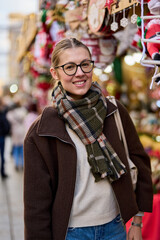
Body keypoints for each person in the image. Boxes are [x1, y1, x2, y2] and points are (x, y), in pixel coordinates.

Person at [24, 38, 153, 240]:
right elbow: (36, 203)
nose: (79, 72)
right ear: (55, 73)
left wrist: (137, 221)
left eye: (85, 64)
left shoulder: (114, 111)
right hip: (71, 233)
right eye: (69, 67)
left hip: (115, 228)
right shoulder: (42, 131)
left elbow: (140, 163)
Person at [7, 99, 27, 171]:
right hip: (22, 130)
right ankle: (22, 164)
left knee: (15, 148)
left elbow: (8, 119)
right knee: (22, 148)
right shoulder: (23, 111)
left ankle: (16, 163)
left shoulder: (10, 113)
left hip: (14, 131)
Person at [0, 98, 10, 179]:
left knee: (3, 155)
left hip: (2, 135)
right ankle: (2, 172)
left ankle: (2, 171)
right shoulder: (2, 112)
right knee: (2, 155)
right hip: (1, 135)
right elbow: (5, 123)